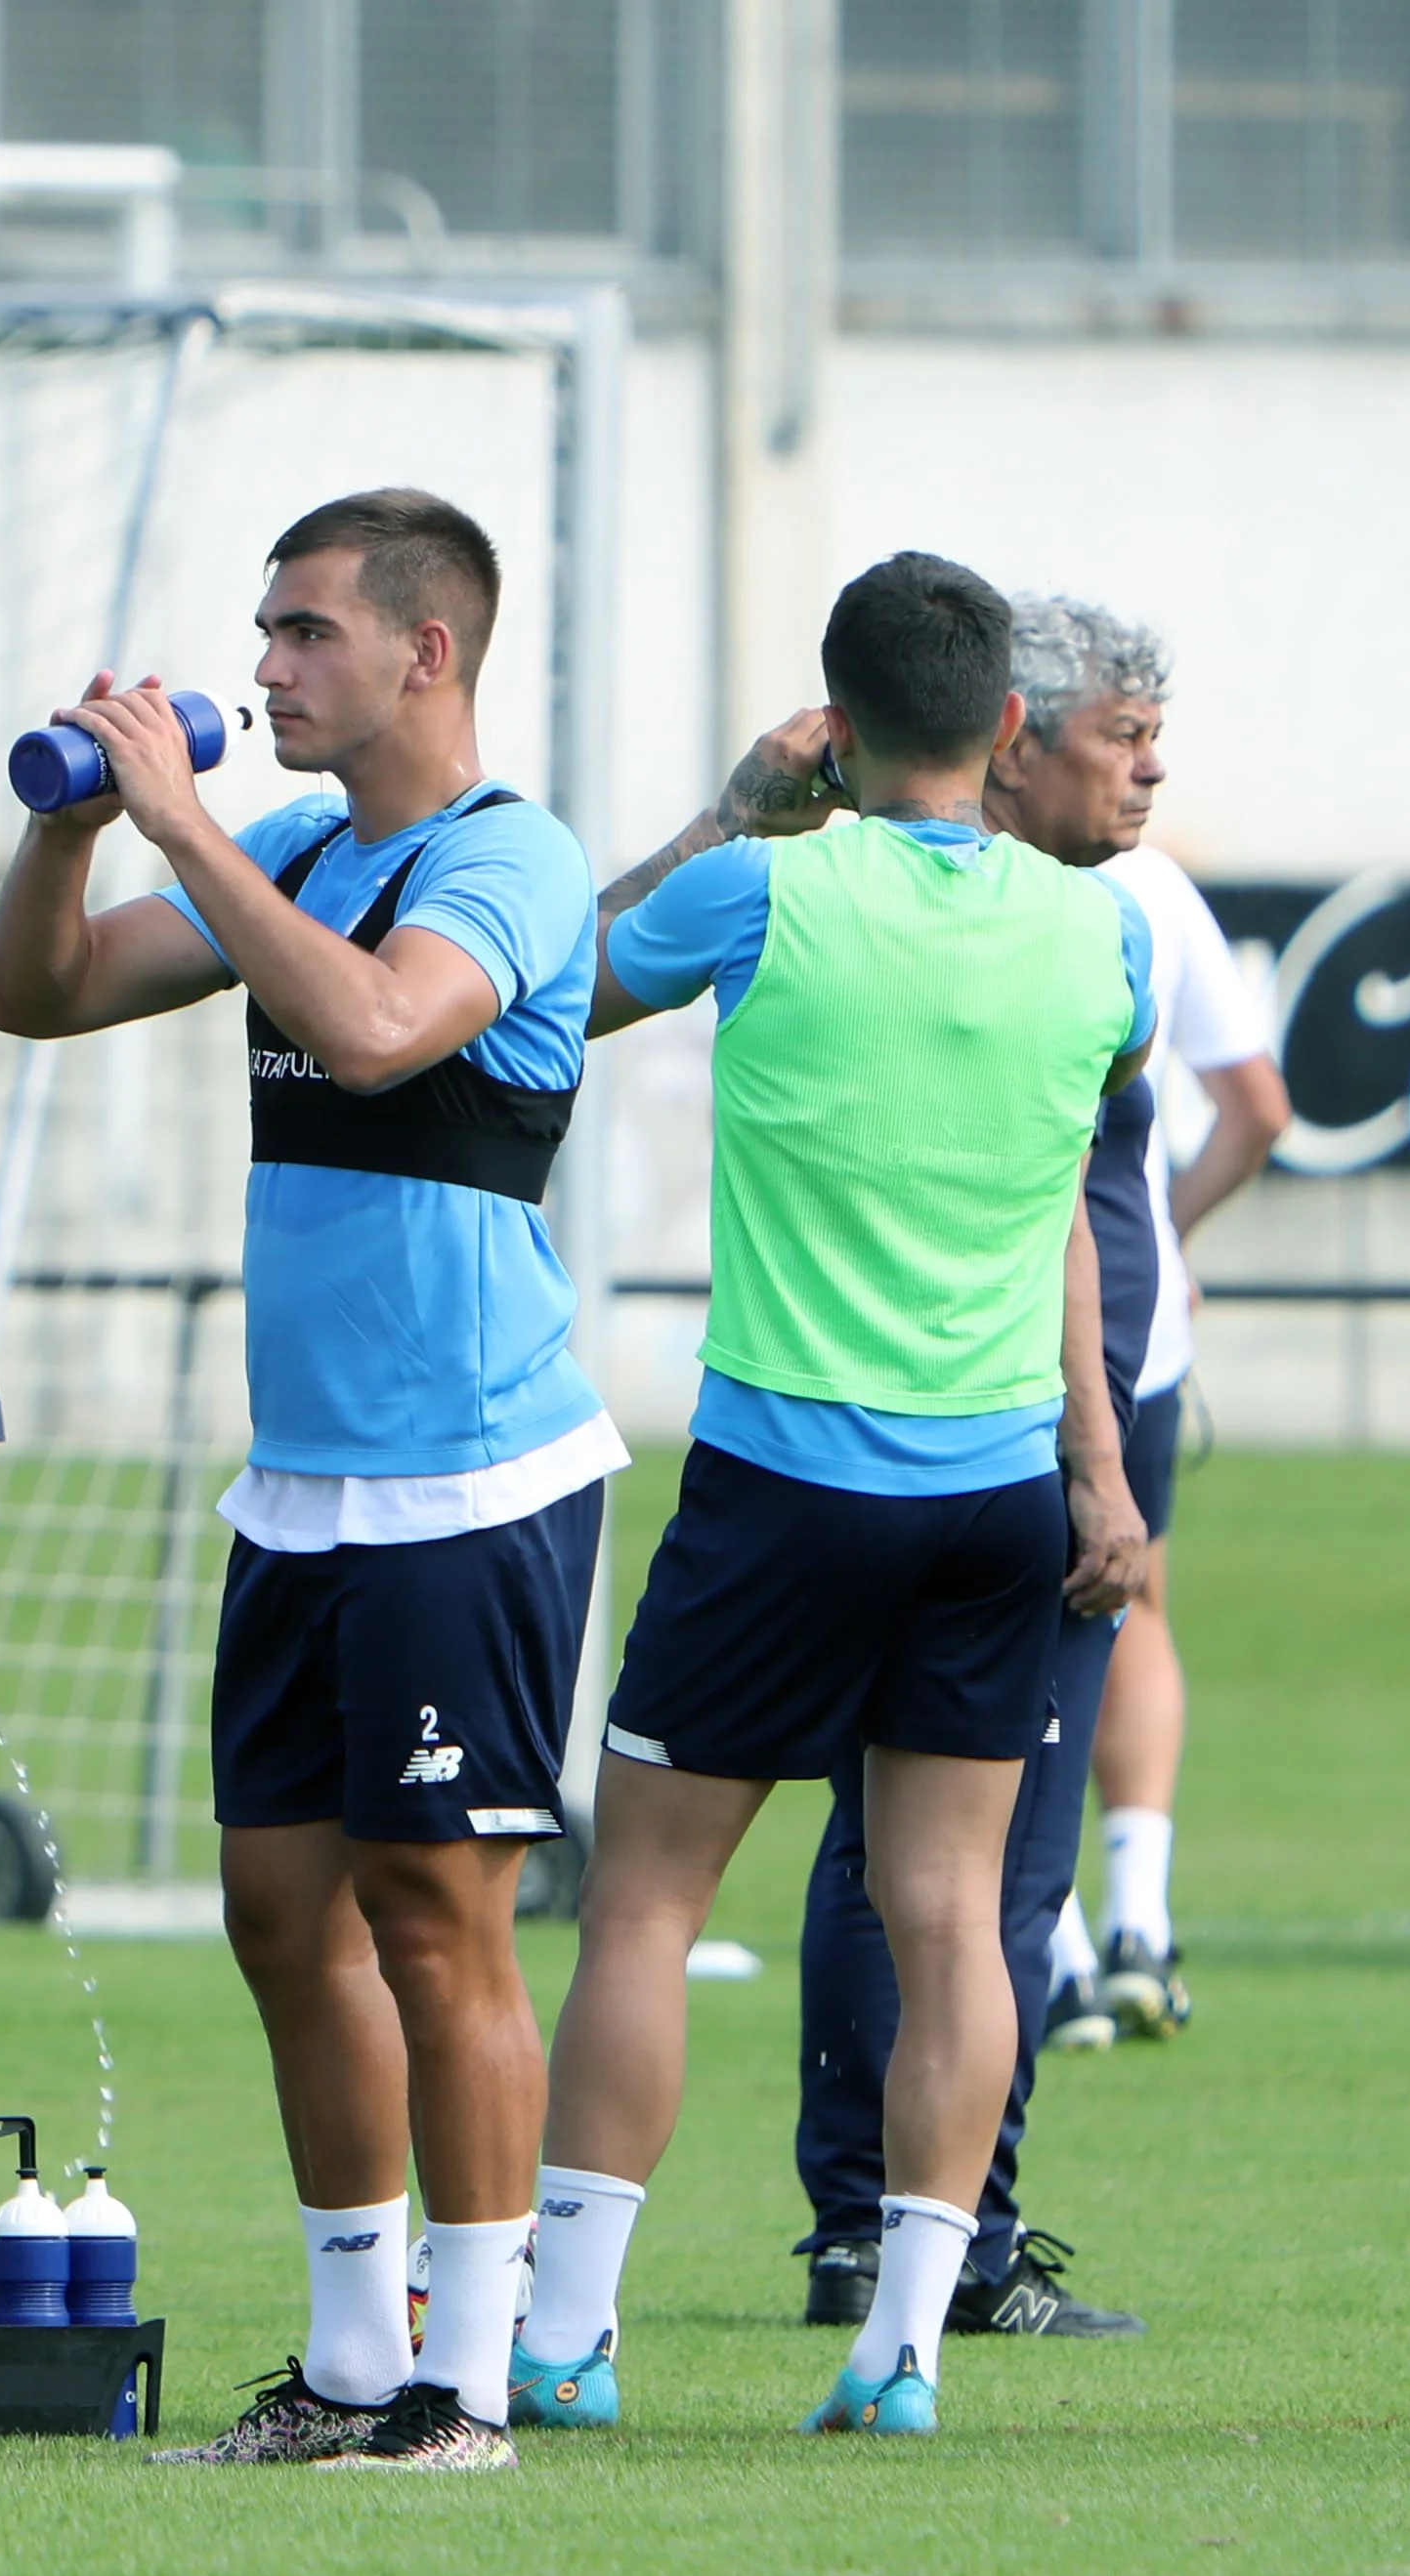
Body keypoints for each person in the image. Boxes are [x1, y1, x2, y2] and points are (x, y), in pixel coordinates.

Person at [0, 488, 618, 2471]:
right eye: (261, 634)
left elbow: (369, 1026)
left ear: (428, 651)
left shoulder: (507, 862)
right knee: (282, 1912)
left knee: (442, 1919)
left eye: (305, 633)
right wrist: (75, 818)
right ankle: (353, 2365)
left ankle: (475, 2382)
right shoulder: (299, 847)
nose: (264, 671)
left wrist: (180, 820)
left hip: (472, 1476)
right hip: (304, 1483)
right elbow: (44, 987)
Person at [520, 552, 1154, 2441]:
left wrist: (735, 807)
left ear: (834, 711)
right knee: (956, 1919)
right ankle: (900, 2354)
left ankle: (562, 2336)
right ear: (1011, 727)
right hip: (993, 1492)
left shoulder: (761, 890)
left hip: (786, 1473)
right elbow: (1054, 1184)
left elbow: (537, 993)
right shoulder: (1092, 940)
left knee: (639, 1906)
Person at [783, 592, 1240, 2346]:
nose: (1146, 771)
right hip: (1006, 1444)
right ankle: (943, 2244)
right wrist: (1092, 1447)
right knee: (989, 1869)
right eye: (1119, 738)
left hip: (982, 1426)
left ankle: (863, 2226)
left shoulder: (1092, 909)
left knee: (892, 1858)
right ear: (1011, 736)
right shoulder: (1022, 928)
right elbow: (1060, 1200)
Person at [1054, 601, 1286, 2048]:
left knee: (984, 1639)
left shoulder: (1002, 887)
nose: (1146, 772)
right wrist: (1172, 1246)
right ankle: (1133, 1915)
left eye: (1154, 741)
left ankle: (1058, 1945)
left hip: (985, 1333)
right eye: (1126, 739)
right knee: (1126, 1598)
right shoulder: (1155, 896)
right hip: (1139, 1328)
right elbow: (1257, 1107)